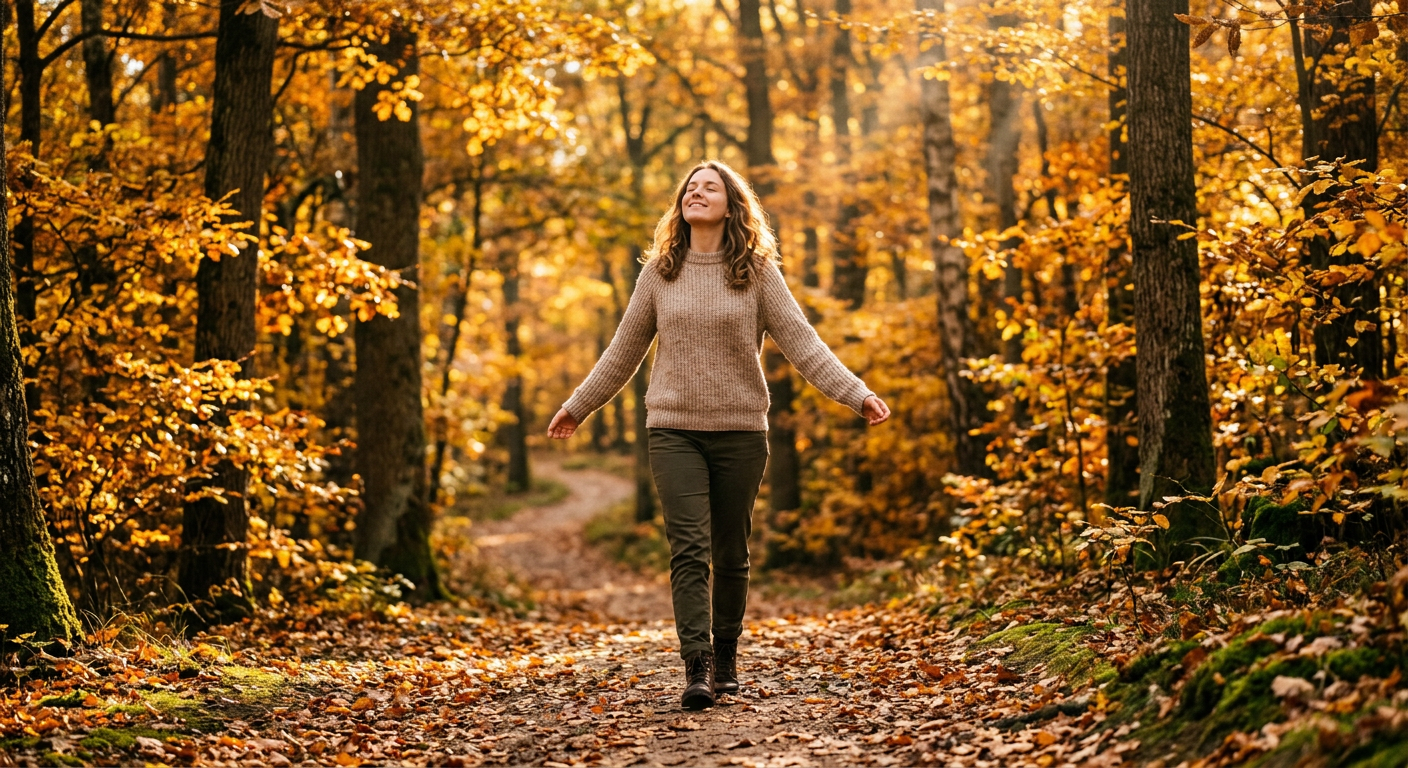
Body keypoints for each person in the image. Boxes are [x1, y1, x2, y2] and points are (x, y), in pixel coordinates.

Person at [547, 160, 890, 710]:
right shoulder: (659, 271)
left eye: (710, 187)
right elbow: (624, 351)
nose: (696, 193)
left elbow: (803, 343)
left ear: (732, 204)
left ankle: (727, 655)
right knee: (689, 550)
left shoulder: (755, 272)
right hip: (673, 431)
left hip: (740, 432)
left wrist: (857, 393)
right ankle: (697, 666)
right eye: (689, 187)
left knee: (731, 553)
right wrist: (577, 407)